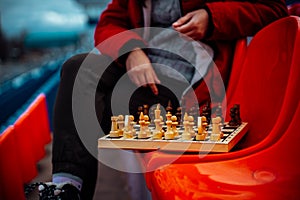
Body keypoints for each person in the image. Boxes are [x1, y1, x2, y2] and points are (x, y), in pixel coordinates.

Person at [38, 0, 288, 199]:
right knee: (78, 68)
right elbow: (109, 22)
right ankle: (67, 189)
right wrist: (130, 51)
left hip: (186, 92)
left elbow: (272, 8)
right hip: (139, 76)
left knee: (89, 105)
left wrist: (212, 17)